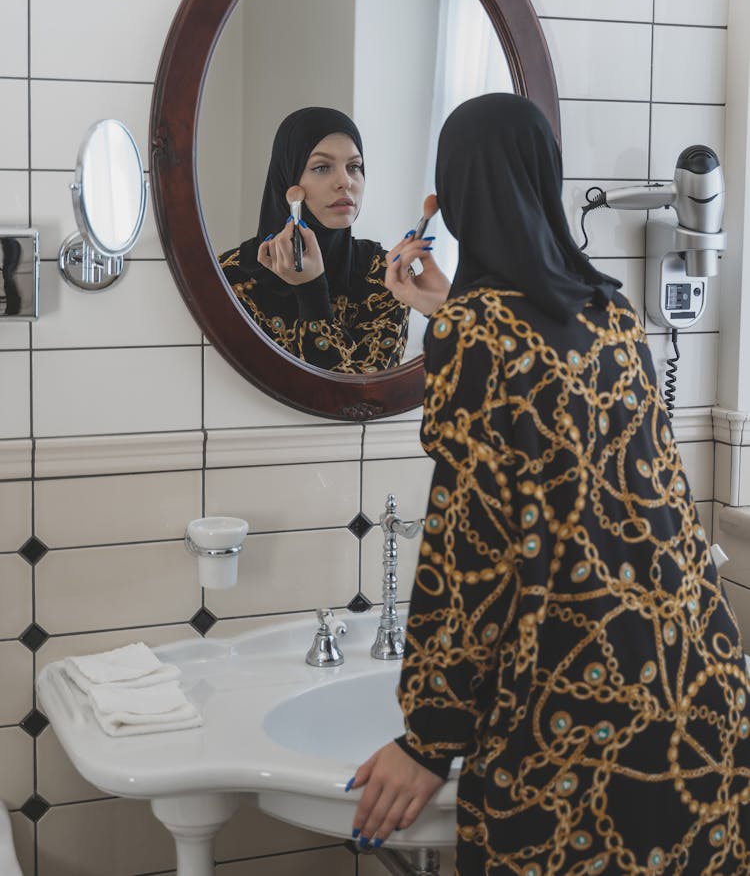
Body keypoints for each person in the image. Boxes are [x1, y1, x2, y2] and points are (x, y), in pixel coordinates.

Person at [349, 92, 750, 874]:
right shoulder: (613, 314)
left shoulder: (473, 336)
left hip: (578, 709)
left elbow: (470, 552)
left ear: (454, 195)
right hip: (699, 684)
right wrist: (449, 308)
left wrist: (428, 738)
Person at [219, 106, 410, 373]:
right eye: (322, 167)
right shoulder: (229, 277)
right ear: (287, 180)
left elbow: (359, 396)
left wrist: (312, 292)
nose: (346, 182)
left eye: (354, 167)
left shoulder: (386, 275)